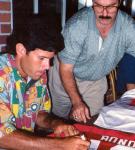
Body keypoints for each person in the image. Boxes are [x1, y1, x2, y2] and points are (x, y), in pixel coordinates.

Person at [49, 0, 135, 123]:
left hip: (95, 79)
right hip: (63, 74)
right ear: (92, 2)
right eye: (98, 5)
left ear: (118, 3)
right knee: (57, 120)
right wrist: (77, 102)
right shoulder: (78, 25)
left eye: (111, 6)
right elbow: (66, 69)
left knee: (92, 122)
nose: (104, 12)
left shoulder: (130, 29)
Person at [0, 16, 90, 150]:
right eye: (41, 58)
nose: (47, 66)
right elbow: (2, 137)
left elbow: (38, 113)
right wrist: (59, 145)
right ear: (21, 50)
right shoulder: (2, 75)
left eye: (49, 59)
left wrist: (56, 124)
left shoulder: (37, 73)